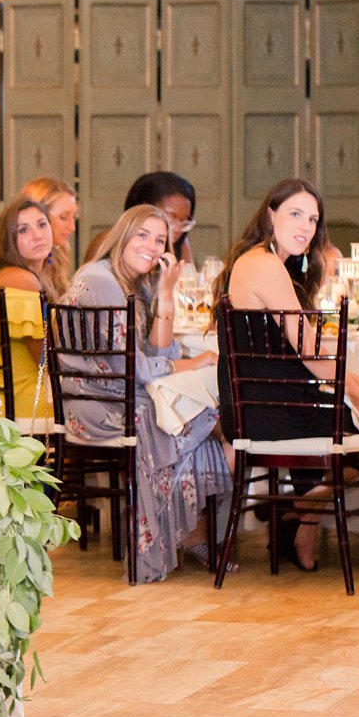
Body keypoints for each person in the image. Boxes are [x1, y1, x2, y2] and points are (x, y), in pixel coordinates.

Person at [213, 177, 359, 571]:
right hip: (271, 412)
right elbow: (313, 354)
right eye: (295, 214)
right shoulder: (263, 265)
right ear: (270, 215)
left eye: (312, 220)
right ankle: (302, 509)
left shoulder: (264, 262)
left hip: (266, 406)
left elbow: (318, 353)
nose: (305, 227)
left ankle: (298, 519)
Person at [60, 204, 231, 582]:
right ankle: (186, 532)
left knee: (205, 416)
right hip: (95, 406)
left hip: (119, 397)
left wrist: (166, 293)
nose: (152, 247)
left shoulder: (131, 285)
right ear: (122, 235)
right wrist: (193, 363)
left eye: (160, 240)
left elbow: (158, 353)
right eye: (143, 235)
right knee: (199, 417)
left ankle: (186, 531)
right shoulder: (100, 279)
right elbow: (137, 368)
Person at [0, 197, 60, 422]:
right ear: (9, 240)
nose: (37, 235)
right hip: (24, 404)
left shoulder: (8, 274)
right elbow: (46, 360)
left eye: (42, 224)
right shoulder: (22, 281)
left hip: (0, 400)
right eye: (23, 230)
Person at [17, 176, 76, 299]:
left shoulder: (59, 251)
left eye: (74, 217)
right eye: (63, 217)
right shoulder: (21, 274)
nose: (72, 227)